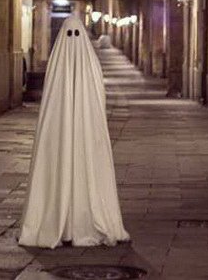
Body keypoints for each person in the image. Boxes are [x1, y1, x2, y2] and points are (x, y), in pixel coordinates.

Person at [18, 15, 129, 248]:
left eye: (76, 34)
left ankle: (75, 221)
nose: (73, 39)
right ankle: (63, 221)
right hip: (61, 140)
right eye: (69, 34)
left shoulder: (74, 67)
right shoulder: (76, 67)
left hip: (86, 139)